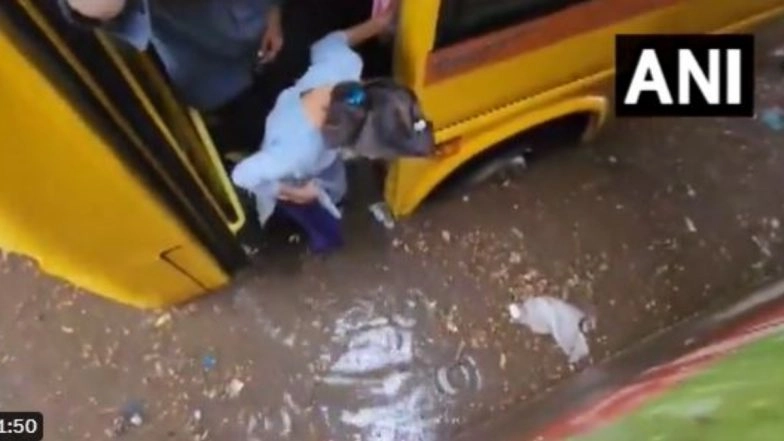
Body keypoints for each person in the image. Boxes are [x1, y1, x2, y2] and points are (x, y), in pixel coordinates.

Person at [231, 6, 435, 254]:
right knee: (319, 220)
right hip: (297, 178)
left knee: (334, 186)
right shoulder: (293, 154)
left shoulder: (343, 68)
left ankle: (335, 202)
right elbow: (242, 176)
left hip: (310, 152)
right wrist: (295, 192)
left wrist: (377, 25)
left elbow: (328, 43)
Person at [59, 0, 285, 149]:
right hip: (208, 68)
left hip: (260, 21)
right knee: (266, 132)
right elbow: (94, 8)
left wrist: (274, 10)